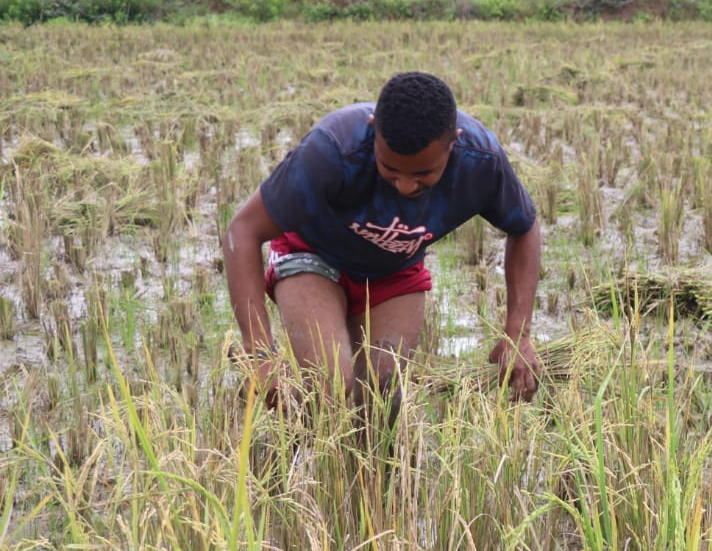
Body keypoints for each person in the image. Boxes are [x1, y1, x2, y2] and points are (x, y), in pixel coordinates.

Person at [223, 71, 542, 420]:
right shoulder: (332, 149)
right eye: (390, 169)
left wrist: (518, 334)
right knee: (329, 388)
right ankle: (302, 441)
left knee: (383, 398)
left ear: (453, 142)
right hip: (312, 254)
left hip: (394, 270)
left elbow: (525, 227)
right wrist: (259, 351)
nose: (404, 186)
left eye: (422, 175)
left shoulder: (481, 161)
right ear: (374, 130)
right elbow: (243, 230)